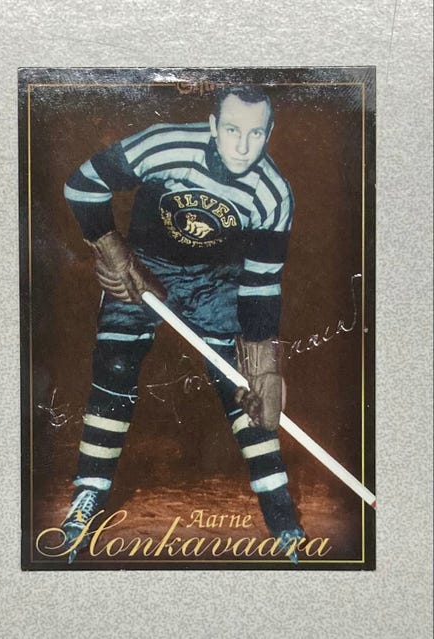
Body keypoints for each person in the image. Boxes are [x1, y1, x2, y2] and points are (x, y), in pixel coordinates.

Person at [61, 85, 303, 563]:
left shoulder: (274, 195)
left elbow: (260, 285)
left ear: (270, 132)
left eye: (255, 134)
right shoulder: (165, 145)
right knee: (114, 367)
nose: (242, 146)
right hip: (146, 267)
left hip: (216, 281)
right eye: (231, 130)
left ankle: (283, 519)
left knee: (247, 390)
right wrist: (112, 249)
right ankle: (86, 498)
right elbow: (82, 184)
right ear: (212, 126)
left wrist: (263, 364)